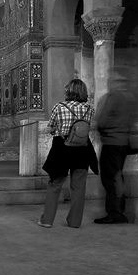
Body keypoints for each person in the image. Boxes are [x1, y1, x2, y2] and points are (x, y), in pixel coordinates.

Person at [38, 79, 98, 228]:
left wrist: (56, 129)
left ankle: (47, 220)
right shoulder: (90, 109)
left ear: (68, 91)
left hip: (62, 149)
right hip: (82, 149)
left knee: (55, 185)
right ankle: (75, 221)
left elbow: (50, 127)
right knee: (78, 188)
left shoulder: (59, 107)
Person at [94, 74, 138, 224]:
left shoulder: (112, 97)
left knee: (111, 178)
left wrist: (101, 131)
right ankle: (121, 209)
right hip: (124, 142)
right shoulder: (130, 97)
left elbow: (103, 120)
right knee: (118, 176)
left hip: (112, 142)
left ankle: (115, 213)